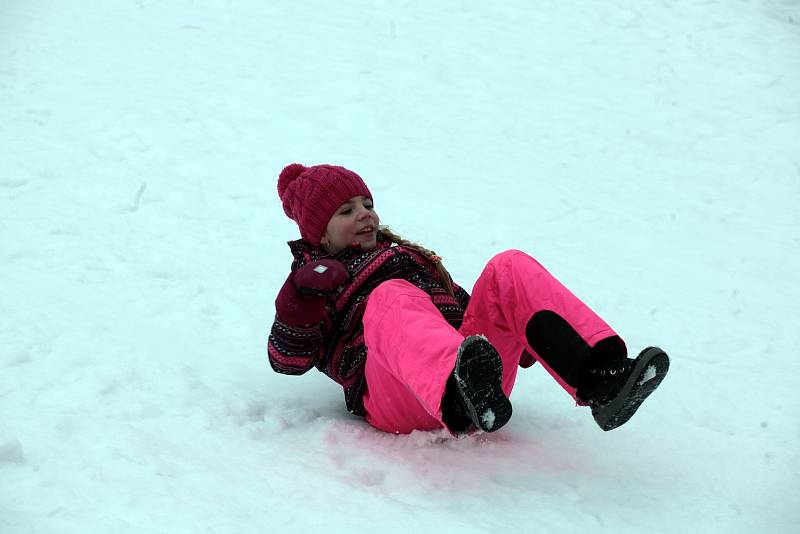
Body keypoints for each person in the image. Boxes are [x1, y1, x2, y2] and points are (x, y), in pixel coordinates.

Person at [267, 163, 669, 435]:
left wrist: (524, 332)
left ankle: (601, 380)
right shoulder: (312, 283)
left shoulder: (404, 256)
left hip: (479, 384)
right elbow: (287, 361)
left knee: (508, 266)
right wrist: (300, 297)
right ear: (318, 232)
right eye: (346, 211)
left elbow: (464, 311)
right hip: (397, 395)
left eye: (367, 204)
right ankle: (458, 392)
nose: (365, 215)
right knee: (391, 296)